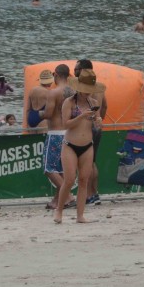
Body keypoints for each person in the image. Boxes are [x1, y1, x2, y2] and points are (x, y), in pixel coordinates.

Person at [53, 71, 105, 224]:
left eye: (89, 89)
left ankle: (80, 215)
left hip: (87, 145)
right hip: (70, 144)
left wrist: (98, 121)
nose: (86, 92)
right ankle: (59, 211)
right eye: (84, 89)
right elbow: (66, 124)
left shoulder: (94, 103)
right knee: (69, 180)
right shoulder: (69, 102)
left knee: (84, 180)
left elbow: (96, 122)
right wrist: (82, 116)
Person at [73, 59, 108, 205]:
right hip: (97, 125)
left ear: (83, 70)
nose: (74, 71)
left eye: (76, 69)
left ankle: (88, 195)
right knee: (92, 161)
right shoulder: (98, 87)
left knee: (85, 162)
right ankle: (94, 193)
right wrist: (99, 119)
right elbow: (105, 105)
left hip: (87, 127)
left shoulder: (84, 87)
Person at [40, 64, 72, 209]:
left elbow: (48, 114)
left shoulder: (53, 93)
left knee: (49, 168)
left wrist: (39, 113)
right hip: (70, 133)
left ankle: (69, 196)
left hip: (55, 134)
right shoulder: (74, 92)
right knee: (62, 170)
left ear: (56, 75)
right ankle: (56, 201)